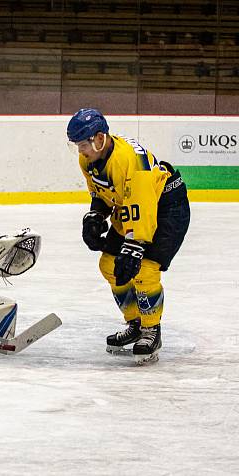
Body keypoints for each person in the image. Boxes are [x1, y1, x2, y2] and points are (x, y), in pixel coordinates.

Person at [68, 108, 190, 364]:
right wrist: (95, 216)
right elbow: (102, 192)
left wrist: (133, 247)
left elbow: (143, 210)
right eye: (76, 146)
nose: (80, 151)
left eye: (83, 145)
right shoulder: (87, 159)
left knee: (144, 268)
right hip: (132, 206)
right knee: (110, 265)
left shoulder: (131, 163)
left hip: (166, 207)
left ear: (99, 138)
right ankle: (135, 323)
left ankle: (151, 330)